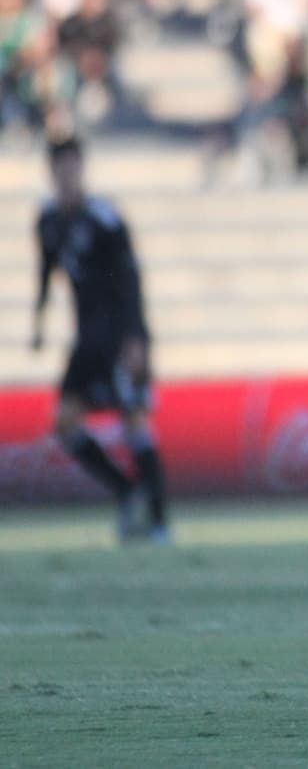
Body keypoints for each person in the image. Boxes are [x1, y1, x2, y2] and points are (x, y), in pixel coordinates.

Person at [31, 137, 169, 543]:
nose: (66, 173)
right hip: (86, 339)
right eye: (59, 166)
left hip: (120, 335)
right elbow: (46, 270)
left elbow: (130, 278)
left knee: (134, 423)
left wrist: (135, 336)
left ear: (81, 168)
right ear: (51, 170)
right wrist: (38, 321)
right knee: (64, 422)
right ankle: (127, 492)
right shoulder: (48, 221)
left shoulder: (104, 218)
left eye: (72, 165)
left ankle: (159, 522)